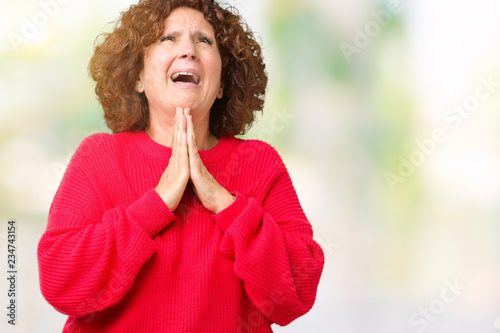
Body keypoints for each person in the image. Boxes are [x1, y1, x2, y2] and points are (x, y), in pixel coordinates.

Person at [37, 0, 324, 331]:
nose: (188, 49)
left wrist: (226, 204)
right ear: (138, 77)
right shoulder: (99, 157)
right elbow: (61, 285)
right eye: (168, 38)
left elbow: (297, 294)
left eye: (204, 40)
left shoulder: (260, 164)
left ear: (221, 85)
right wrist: (155, 204)